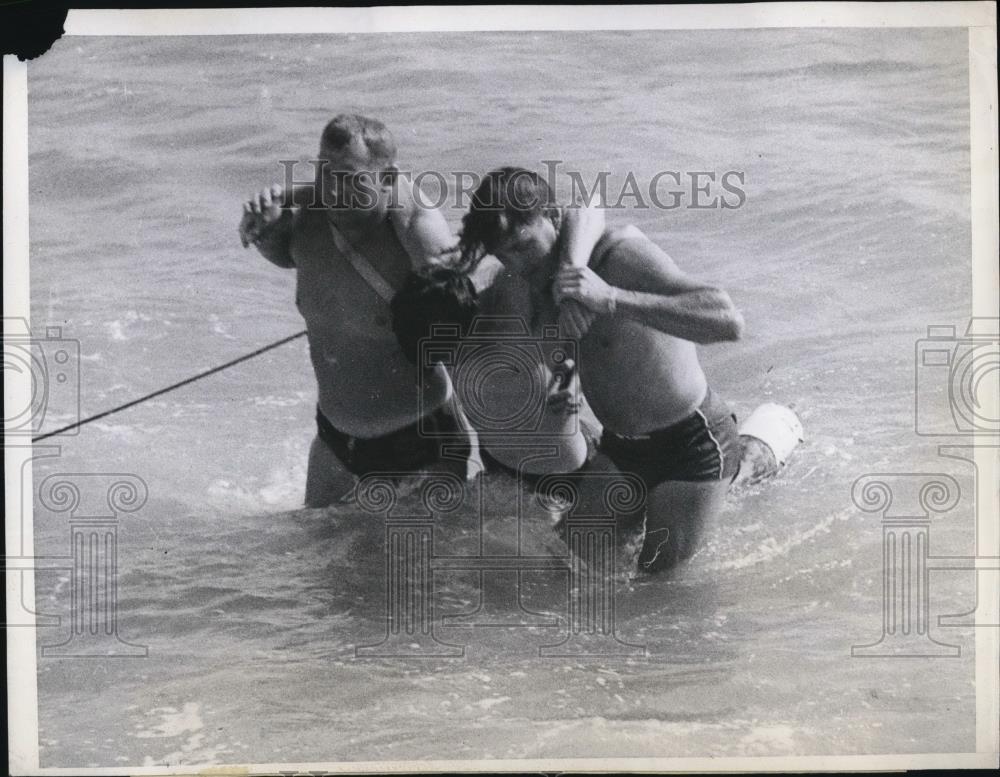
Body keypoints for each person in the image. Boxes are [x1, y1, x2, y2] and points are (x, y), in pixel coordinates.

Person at [456, 167, 746, 574]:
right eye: (502, 254)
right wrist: (566, 376)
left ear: (552, 217)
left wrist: (609, 297)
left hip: (691, 444)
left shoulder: (616, 256)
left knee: (659, 583)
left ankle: (752, 458)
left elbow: (727, 320)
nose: (516, 265)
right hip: (622, 450)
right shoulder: (530, 282)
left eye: (523, 248)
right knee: (567, 570)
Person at [239, 114, 480, 507]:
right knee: (317, 563)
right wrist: (264, 228)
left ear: (387, 178)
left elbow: (465, 330)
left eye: (350, 177)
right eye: (324, 171)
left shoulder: (416, 230)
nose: (332, 189)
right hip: (335, 440)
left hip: (419, 442)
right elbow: (284, 256)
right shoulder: (307, 219)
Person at [391, 203, 609, 479]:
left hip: (536, 469)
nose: (450, 361)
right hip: (530, 468)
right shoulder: (459, 323)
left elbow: (586, 207)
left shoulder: (503, 320)